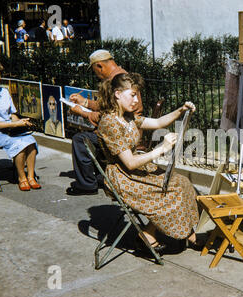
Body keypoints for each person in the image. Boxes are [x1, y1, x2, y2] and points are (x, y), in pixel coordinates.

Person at [97, 72, 201, 252]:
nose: (136, 100)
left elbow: (159, 122)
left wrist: (180, 110)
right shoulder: (110, 122)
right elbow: (129, 163)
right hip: (123, 177)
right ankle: (160, 235)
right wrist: (161, 148)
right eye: (132, 95)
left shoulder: (127, 117)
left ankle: (168, 234)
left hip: (135, 169)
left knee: (181, 182)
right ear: (117, 94)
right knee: (172, 189)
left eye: (137, 95)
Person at [65, 49, 141, 196]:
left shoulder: (116, 81)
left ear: (99, 66)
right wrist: (85, 102)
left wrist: (82, 112)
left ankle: (86, 184)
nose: (95, 74)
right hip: (126, 127)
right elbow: (109, 107)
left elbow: (107, 118)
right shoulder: (121, 76)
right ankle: (99, 176)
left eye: (95, 70)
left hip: (123, 131)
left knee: (80, 139)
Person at [0, 60, 41, 191]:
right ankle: (22, 178)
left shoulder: (4, 92)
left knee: (30, 141)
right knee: (19, 144)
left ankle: (31, 177)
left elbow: (12, 114)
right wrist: (13, 125)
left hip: (9, 129)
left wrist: (20, 123)